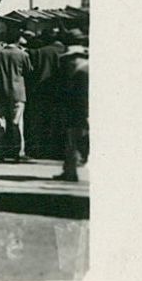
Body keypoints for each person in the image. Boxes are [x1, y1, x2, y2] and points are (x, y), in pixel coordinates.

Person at [0, 36, 33, 161]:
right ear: (18, 40)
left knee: (0, 122)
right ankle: (17, 152)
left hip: (0, 92)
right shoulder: (23, 55)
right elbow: (29, 72)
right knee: (16, 123)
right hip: (18, 92)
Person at [55, 38, 89, 181]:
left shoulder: (81, 73)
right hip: (79, 113)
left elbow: (79, 97)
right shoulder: (83, 70)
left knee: (73, 142)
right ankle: (70, 170)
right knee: (73, 142)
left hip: (79, 113)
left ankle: (71, 171)